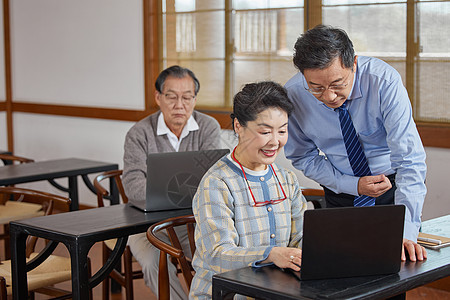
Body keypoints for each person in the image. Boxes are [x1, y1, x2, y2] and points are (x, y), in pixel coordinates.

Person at [284, 25, 427, 261]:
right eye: (316, 88)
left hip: (391, 188)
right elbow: (302, 155)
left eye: (337, 84)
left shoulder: (384, 82)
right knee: (340, 270)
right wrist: (352, 185)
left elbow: (410, 160)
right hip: (340, 188)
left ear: (354, 64)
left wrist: (407, 231)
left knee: (394, 268)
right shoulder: (294, 93)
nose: (329, 97)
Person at [189, 81, 307, 299]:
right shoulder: (217, 182)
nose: (275, 141)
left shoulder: (287, 179)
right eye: (265, 131)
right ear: (238, 127)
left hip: (277, 291)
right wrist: (270, 254)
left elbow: (300, 237)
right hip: (225, 294)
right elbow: (217, 254)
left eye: (282, 131)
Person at [123, 65, 221, 300]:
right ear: (158, 97)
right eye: (171, 96)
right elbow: (133, 186)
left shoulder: (208, 127)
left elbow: (214, 180)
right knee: (153, 263)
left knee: (215, 259)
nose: (180, 104)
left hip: (195, 221)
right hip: (145, 223)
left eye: (187, 97)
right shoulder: (139, 133)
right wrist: (185, 193)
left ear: (195, 99)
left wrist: (167, 193)